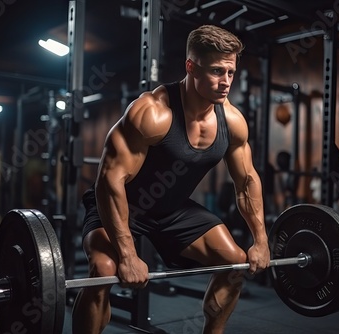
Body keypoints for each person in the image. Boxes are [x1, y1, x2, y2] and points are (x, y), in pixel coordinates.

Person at [72, 25, 271, 334]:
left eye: (231, 72)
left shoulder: (232, 121)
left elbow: (246, 181)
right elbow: (110, 183)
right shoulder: (152, 113)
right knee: (103, 270)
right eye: (218, 71)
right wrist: (127, 255)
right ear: (191, 66)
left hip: (173, 210)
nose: (226, 82)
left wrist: (261, 240)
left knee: (234, 262)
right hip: (124, 205)